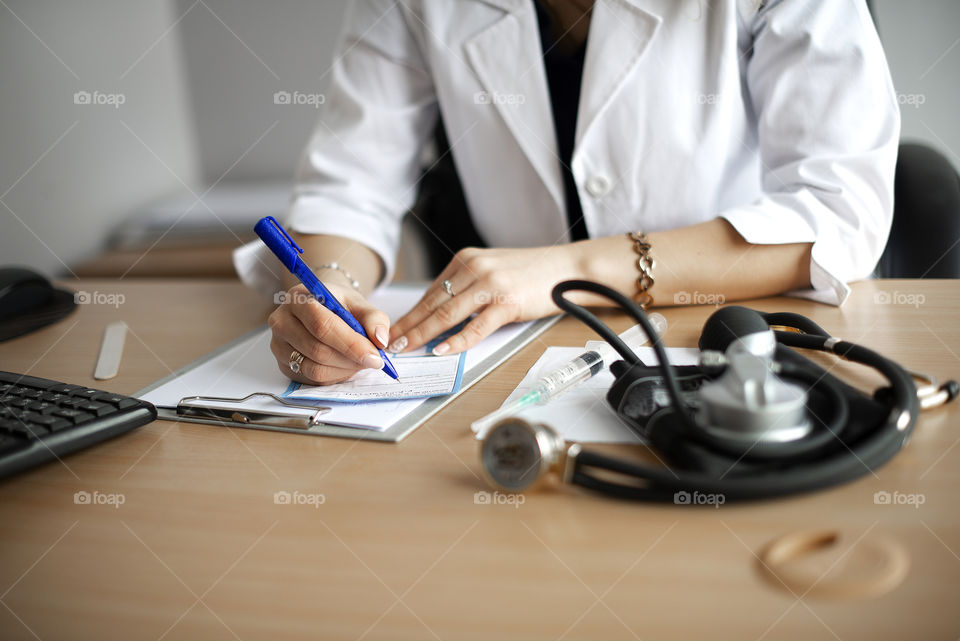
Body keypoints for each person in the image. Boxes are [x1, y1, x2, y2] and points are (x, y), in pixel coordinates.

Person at [234, 0, 900, 386]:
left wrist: (569, 270)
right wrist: (326, 282)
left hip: (733, 332)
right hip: (513, 362)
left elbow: (839, 208)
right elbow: (349, 185)